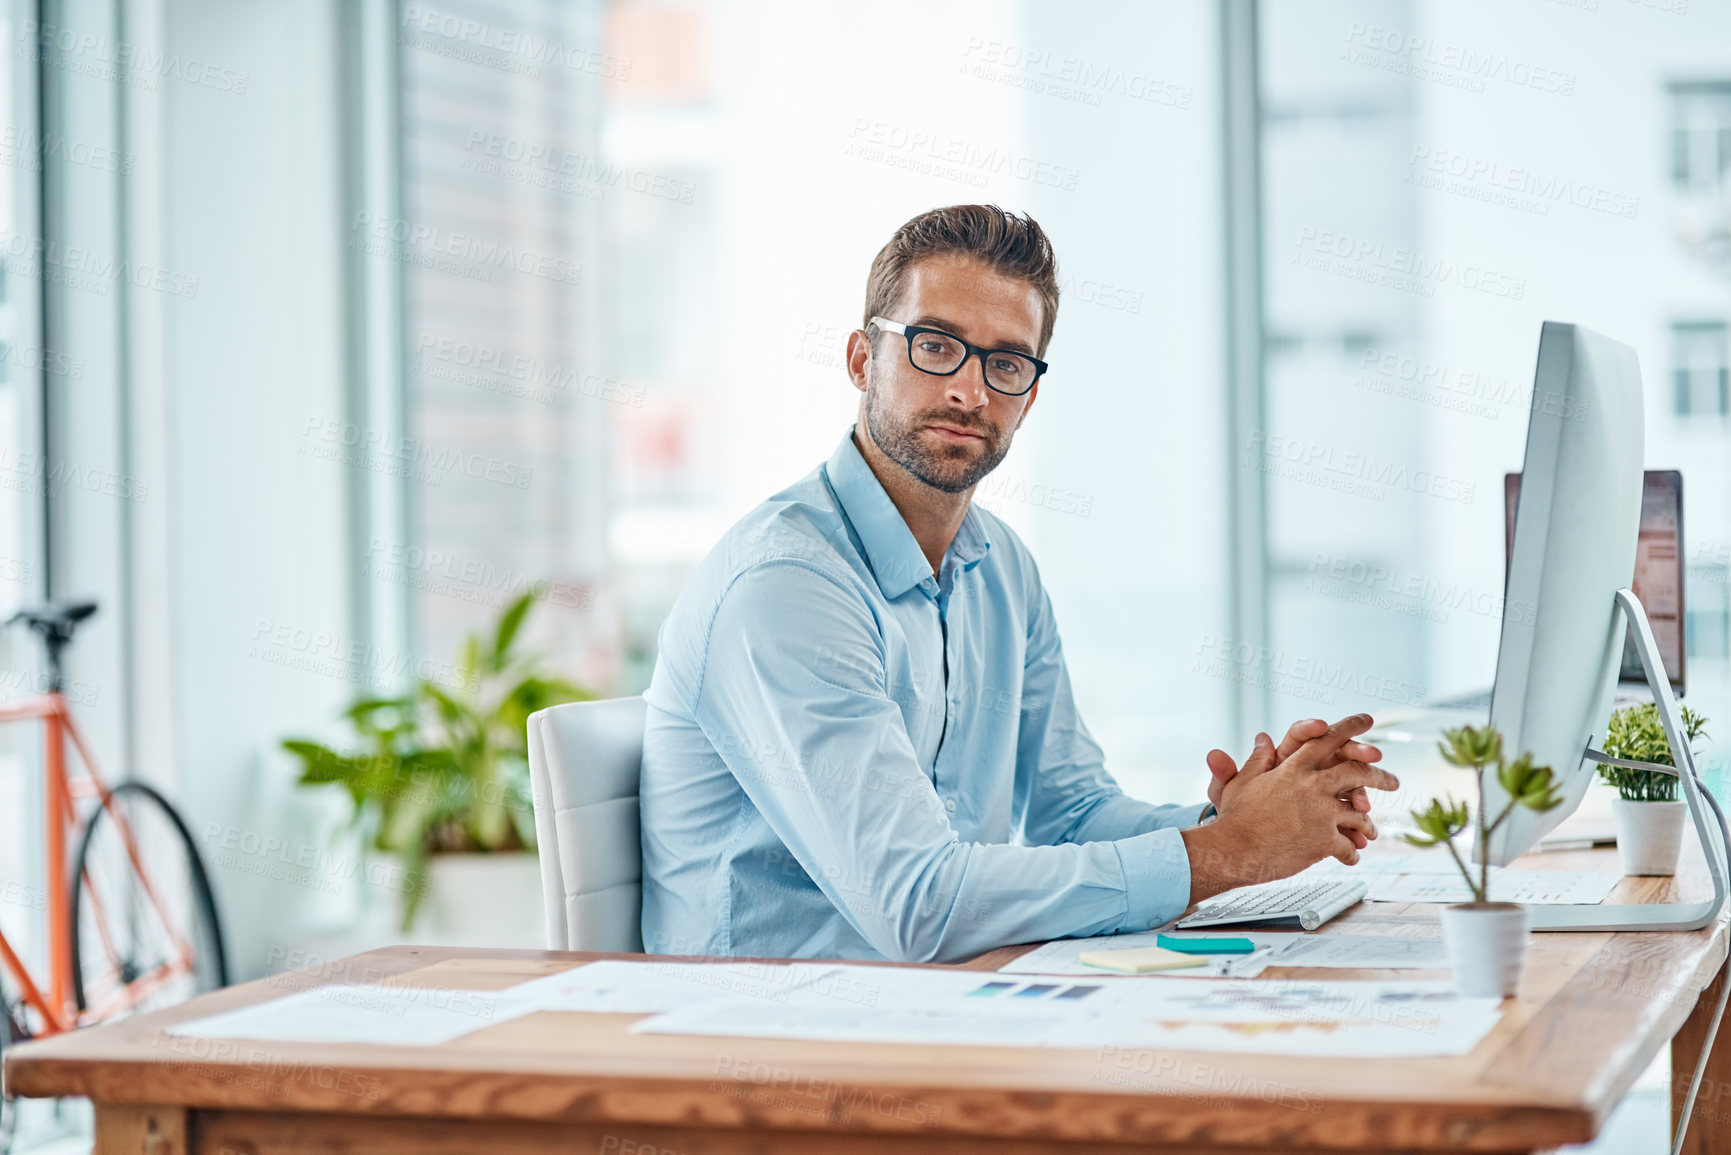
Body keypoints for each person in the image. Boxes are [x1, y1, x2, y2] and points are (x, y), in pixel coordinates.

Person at [639, 204, 1398, 963]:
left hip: (938, 1007)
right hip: (767, 1039)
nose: (969, 391)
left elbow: (1071, 812)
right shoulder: (787, 586)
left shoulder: (998, 565)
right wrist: (1229, 853)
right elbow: (919, 905)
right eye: (935, 345)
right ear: (862, 360)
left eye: (1004, 364)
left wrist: (1226, 818)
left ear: (1028, 396)